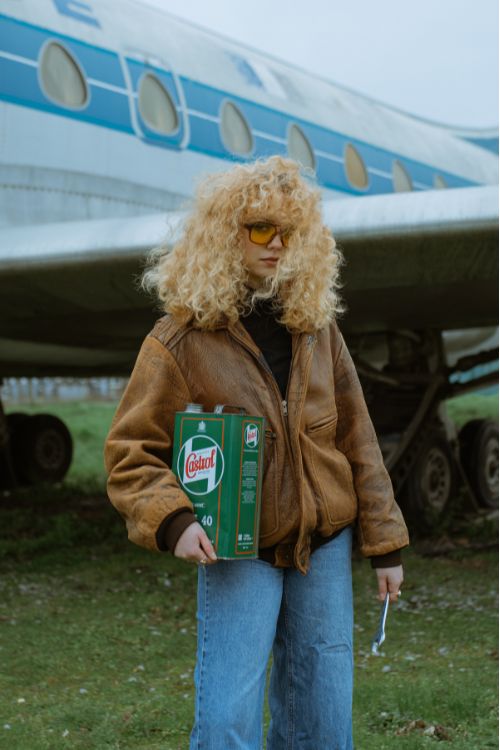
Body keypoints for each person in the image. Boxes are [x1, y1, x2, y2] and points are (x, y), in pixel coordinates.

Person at [105, 155, 409, 749]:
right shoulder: (179, 339)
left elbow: (358, 440)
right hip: (234, 552)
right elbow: (128, 453)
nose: (276, 245)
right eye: (260, 229)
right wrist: (174, 521)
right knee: (225, 723)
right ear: (226, 233)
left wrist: (386, 545)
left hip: (323, 545)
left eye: (288, 233)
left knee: (322, 725)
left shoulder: (317, 327)